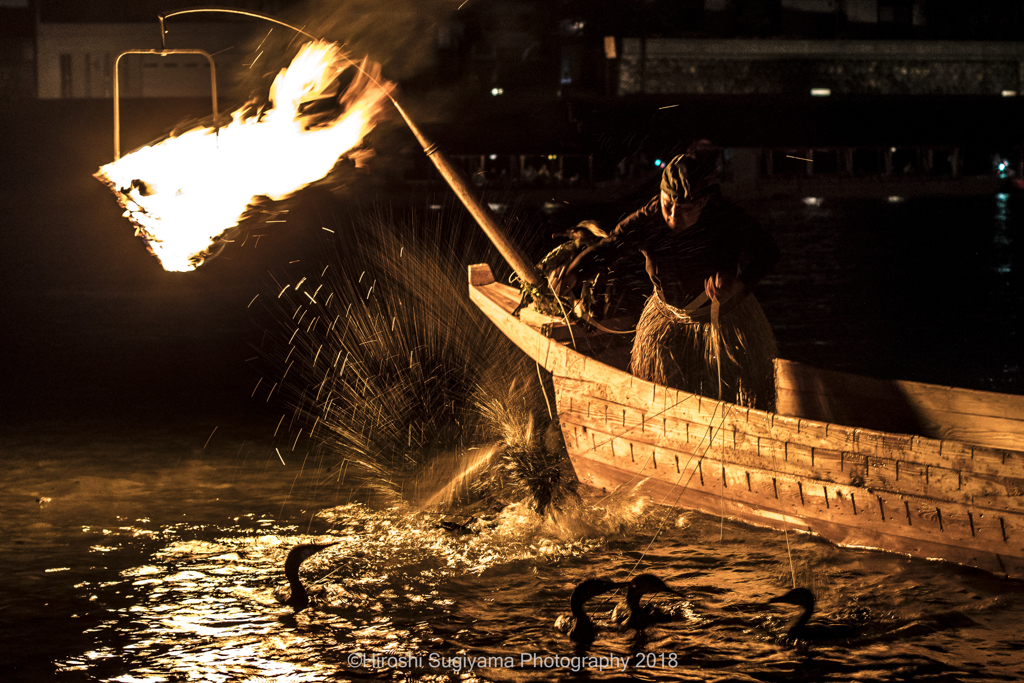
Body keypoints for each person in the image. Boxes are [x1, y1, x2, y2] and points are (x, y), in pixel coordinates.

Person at [553, 149, 779, 410]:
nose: (672, 216)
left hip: (722, 320)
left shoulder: (726, 218)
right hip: (668, 317)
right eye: (667, 204)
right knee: (666, 395)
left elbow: (769, 253)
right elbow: (610, 246)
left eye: (684, 210)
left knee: (725, 394)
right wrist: (573, 272)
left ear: (703, 202)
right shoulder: (649, 219)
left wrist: (738, 285)